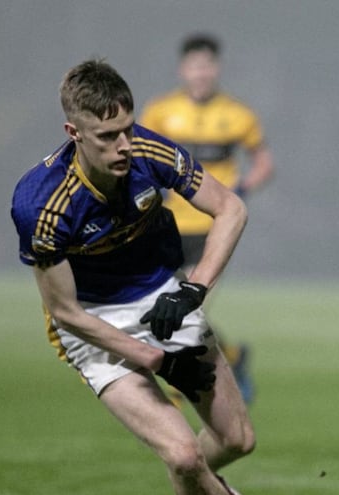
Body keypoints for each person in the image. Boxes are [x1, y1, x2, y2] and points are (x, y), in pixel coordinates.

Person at [10, 60, 277, 495]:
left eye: (128, 128)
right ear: (74, 134)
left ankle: (205, 486)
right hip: (92, 322)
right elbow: (64, 313)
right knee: (181, 455)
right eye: (108, 136)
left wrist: (194, 290)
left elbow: (231, 209)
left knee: (237, 440)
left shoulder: (151, 153)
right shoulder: (41, 205)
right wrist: (153, 361)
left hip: (162, 297)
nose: (124, 144)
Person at [140, 33, 275, 405]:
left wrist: (241, 190)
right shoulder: (160, 111)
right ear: (184, 69)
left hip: (214, 227)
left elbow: (263, 163)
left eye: (207, 66)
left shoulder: (238, 115)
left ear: (216, 68)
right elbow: (142, 159)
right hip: (170, 226)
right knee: (168, 301)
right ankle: (231, 356)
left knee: (193, 302)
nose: (201, 73)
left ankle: (182, 380)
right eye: (194, 66)